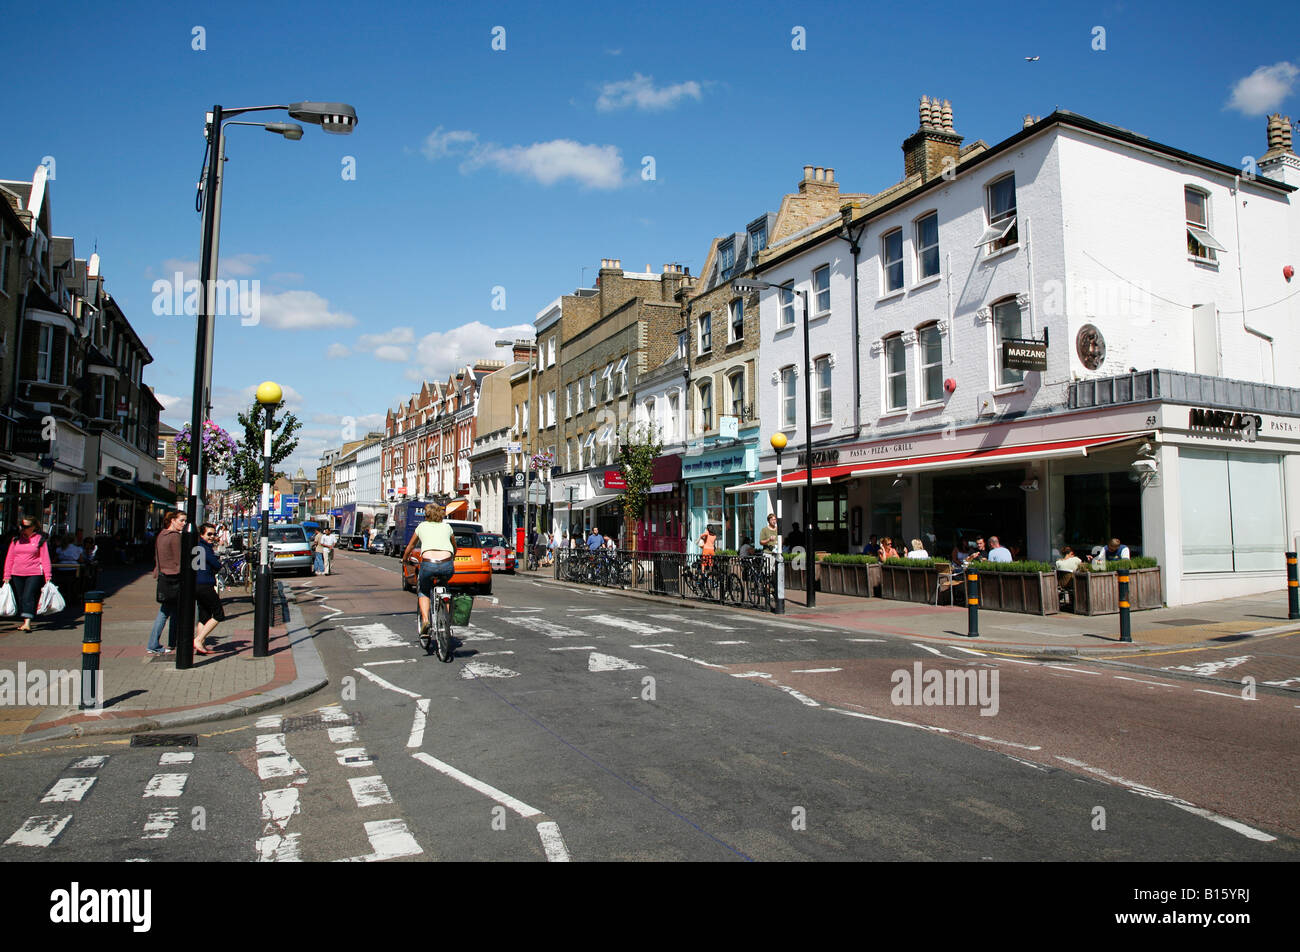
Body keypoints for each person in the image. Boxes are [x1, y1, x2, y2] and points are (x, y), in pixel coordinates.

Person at [402, 503, 456, 639]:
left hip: (428, 564)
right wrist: (452, 557)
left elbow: (411, 545)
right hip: (446, 564)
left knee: (423, 590)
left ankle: (425, 620)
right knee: (445, 587)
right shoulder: (447, 527)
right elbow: (454, 545)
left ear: (426, 515)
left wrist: (404, 559)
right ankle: (447, 622)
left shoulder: (421, 527)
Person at [3, 516, 53, 633]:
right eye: (22, 526)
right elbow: (10, 557)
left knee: (28, 595)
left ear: (33, 527)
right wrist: (7, 575)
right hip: (17, 572)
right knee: (21, 596)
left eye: (26, 527)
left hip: (34, 572)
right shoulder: (16, 539)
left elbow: (45, 558)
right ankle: (25, 618)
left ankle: (27, 622)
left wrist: (48, 575)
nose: (23, 529)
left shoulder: (40, 540)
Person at [147, 510, 185, 654]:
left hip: (164, 576)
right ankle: (153, 644)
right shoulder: (175, 537)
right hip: (174, 578)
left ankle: (172, 641)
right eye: (181, 520)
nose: (183, 523)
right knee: (165, 612)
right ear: (172, 520)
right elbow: (179, 559)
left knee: (172, 611)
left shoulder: (161, 535)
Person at [193, 523, 225, 655]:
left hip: (196, 584)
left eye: (213, 534)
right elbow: (216, 565)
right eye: (209, 534)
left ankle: (201, 646)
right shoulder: (205, 548)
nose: (212, 537)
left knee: (204, 616)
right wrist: (219, 564)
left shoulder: (197, 547)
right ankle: (198, 640)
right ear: (202, 535)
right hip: (205, 584)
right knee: (219, 614)